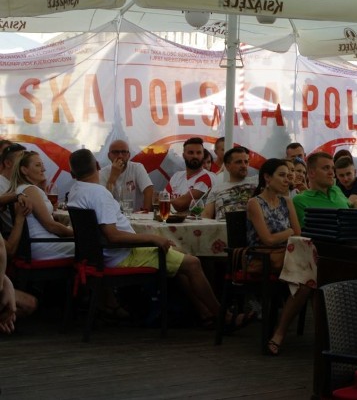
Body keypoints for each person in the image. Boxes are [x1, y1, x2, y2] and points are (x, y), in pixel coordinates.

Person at [66, 149, 250, 330]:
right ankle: (223, 316)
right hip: (122, 256)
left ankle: (204, 313)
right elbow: (113, 236)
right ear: (97, 166)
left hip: (104, 256)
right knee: (193, 263)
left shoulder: (75, 191)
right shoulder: (99, 194)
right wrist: (153, 238)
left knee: (179, 255)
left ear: (73, 173)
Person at [245, 158, 312, 356]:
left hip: (286, 256)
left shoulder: (287, 201)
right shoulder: (254, 203)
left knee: (309, 281)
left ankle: (280, 332)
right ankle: (283, 332)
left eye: (288, 176)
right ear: (267, 177)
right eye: (281, 175)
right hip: (262, 258)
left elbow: (297, 233)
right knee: (310, 277)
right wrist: (288, 232)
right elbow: (266, 239)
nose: (287, 180)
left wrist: (288, 234)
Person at [7, 151, 74, 260]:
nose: (43, 169)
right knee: (92, 248)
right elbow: (51, 226)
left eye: (43, 165)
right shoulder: (29, 189)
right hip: (44, 245)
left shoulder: (24, 189)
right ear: (24, 170)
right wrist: (75, 233)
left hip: (40, 244)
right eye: (38, 165)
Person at [292, 152, 357, 226]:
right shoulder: (299, 200)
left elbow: (352, 207)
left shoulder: (336, 189)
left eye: (332, 169)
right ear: (311, 173)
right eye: (326, 168)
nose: (332, 173)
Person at [98, 139, 154, 212]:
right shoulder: (102, 173)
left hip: (136, 217)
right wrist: (113, 177)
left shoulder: (137, 168)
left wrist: (145, 212)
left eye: (124, 152)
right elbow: (103, 200)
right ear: (109, 156)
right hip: (113, 218)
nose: (120, 155)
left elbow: (148, 190)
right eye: (116, 152)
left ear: (129, 155)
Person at [203, 147, 258, 220]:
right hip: (223, 229)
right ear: (227, 166)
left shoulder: (257, 182)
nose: (244, 166)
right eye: (239, 162)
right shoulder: (216, 189)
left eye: (246, 162)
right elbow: (206, 216)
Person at [166, 137, 216, 212]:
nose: (195, 156)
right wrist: (165, 202)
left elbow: (181, 204)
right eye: (190, 153)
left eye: (198, 153)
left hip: (196, 223)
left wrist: (167, 202)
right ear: (183, 155)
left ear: (203, 155)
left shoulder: (206, 177)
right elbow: (162, 199)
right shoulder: (177, 176)